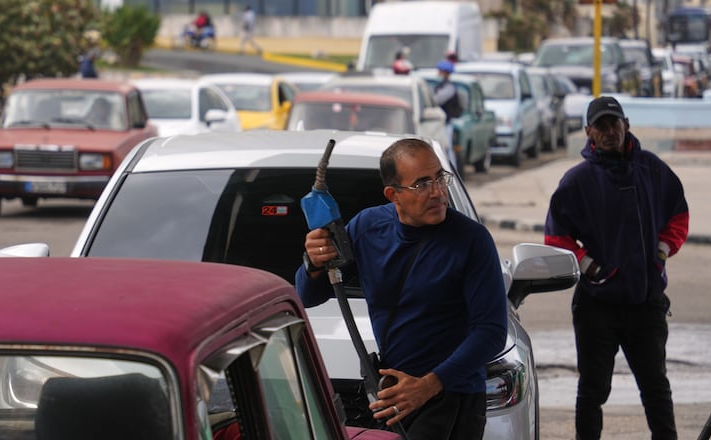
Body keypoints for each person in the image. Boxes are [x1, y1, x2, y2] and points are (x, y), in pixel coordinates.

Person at [295, 138, 508, 439]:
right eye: (421, 184)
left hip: (452, 396)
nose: (437, 192)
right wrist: (314, 262)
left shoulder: (471, 240)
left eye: (439, 178)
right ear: (392, 194)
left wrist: (428, 386)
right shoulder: (368, 227)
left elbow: (491, 331)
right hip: (392, 398)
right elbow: (307, 296)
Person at [544, 96, 689, 440]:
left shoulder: (653, 170)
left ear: (627, 124)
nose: (610, 131)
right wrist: (590, 267)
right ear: (588, 132)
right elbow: (556, 236)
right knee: (593, 390)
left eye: (615, 123)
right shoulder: (576, 182)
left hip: (646, 303)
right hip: (598, 307)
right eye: (601, 126)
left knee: (656, 387)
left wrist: (661, 252)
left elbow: (678, 215)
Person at [434, 60, 461, 165]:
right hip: (440, 124)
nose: (438, 73)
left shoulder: (449, 88)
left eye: (440, 71)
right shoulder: (441, 85)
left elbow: (437, 100)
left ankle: (452, 175)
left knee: (447, 150)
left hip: (446, 124)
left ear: (445, 72)